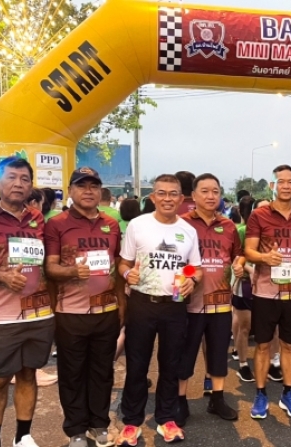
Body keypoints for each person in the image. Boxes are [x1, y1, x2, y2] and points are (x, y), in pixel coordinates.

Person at [0, 157, 54, 447]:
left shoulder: (37, 218)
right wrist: (3, 277)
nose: (18, 184)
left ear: (31, 185)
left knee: (28, 375)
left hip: (39, 315)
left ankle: (23, 436)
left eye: (24, 179)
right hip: (1, 317)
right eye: (12, 177)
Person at [116, 174, 202, 445]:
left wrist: (191, 279)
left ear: (181, 198)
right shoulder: (138, 225)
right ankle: (132, 421)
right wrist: (127, 273)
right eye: (161, 193)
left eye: (173, 193)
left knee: (171, 364)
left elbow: (195, 267)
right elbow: (123, 262)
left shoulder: (188, 231)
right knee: (137, 364)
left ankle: (166, 418)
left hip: (174, 306)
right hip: (142, 303)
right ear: (153, 197)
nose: (167, 198)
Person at [44, 167, 124, 447]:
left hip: (106, 311)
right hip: (70, 313)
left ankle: (99, 423)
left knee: (102, 371)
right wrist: (71, 272)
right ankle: (76, 429)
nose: (88, 191)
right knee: (72, 373)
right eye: (82, 186)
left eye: (94, 186)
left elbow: (118, 265)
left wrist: (122, 303)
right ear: (70, 191)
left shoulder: (111, 224)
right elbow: (50, 267)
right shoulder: (57, 224)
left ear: (100, 191)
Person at [245, 164, 291, 419]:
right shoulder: (259, 215)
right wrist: (265, 257)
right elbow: (248, 251)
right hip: (265, 291)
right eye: (280, 181)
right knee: (263, 345)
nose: (286, 186)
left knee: (289, 345)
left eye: (290, 182)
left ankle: (288, 392)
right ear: (272, 185)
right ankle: (260, 394)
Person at [177, 173, 243, 425]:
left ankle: (217, 399)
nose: (210, 196)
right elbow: (176, 261)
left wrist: (240, 265)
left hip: (220, 302)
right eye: (204, 191)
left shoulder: (229, 226)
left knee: (218, 352)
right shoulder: (181, 224)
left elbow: (237, 255)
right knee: (185, 354)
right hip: (188, 303)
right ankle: (180, 401)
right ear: (193, 196)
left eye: (215, 191)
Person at [232, 195, 256, 382]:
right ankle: (242, 363)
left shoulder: (271, 231)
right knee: (244, 325)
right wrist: (248, 269)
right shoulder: (241, 231)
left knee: (270, 328)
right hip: (245, 283)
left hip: (266, 285)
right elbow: (236, 257)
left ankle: (273, 362)